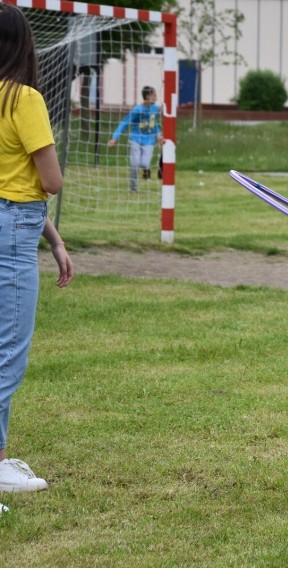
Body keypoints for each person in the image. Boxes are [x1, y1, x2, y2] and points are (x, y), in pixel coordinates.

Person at [0, 3, 74, 497]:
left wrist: (54, 239)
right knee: (8, 354)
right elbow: (47, 180)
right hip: (12, 234)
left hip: (19, 224)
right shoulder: (22, 98)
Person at [107, 85, 162, 192]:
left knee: (145, 163)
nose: (156, 97)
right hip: (135, 139)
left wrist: (158, 135)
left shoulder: (155, 109)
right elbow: (124, 122)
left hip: (149, 141)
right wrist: (115, 138)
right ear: (147, 97)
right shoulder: (137, 110)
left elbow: (154, 125)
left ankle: (146, 170)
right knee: (134, 164)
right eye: (154, 95)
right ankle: (133, 188)